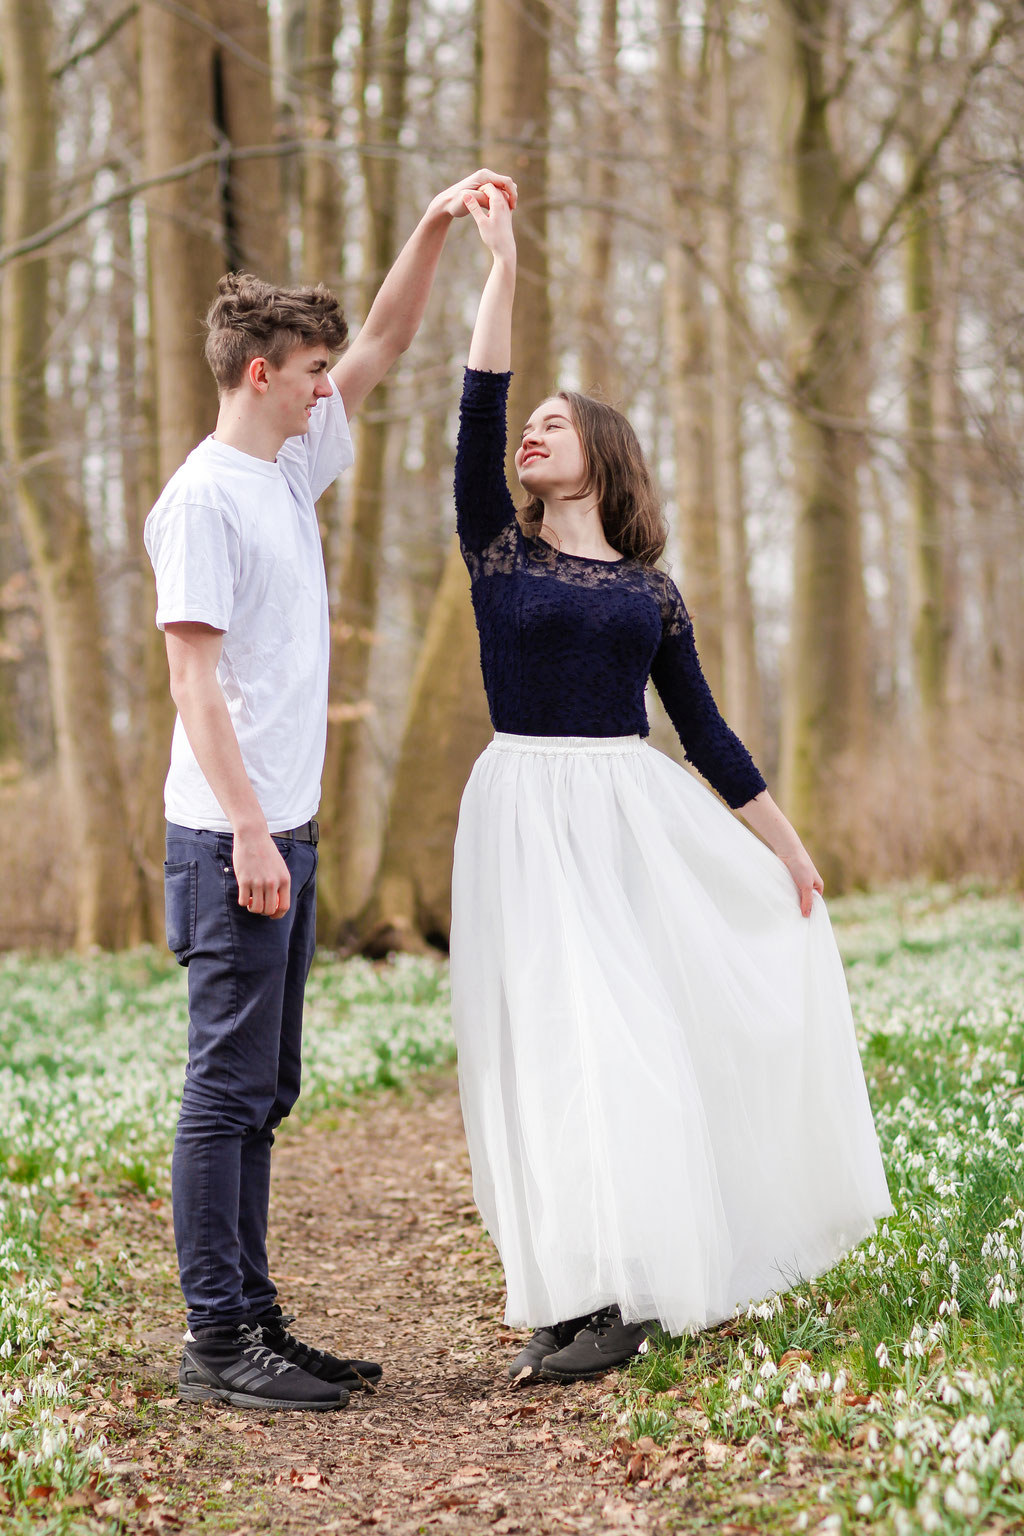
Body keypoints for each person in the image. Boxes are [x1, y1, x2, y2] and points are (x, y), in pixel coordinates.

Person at [450, 185, 892, 1384]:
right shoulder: (497, 549)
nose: (527, 434)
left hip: (626, 820)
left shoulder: (650, 595)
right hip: (520, 819)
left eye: (553, 423)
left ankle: (630, 1294)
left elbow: (708, 735)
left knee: (622, 1040)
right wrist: (499, 266)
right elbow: (476, 399)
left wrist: (788, 853)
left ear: (603, 452)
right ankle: (567, 1286)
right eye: (525, 427)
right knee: (541, 1049)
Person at [144, 169, 517, 1413]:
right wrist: (251, 831)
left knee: (268, 1087)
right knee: (226, 1088)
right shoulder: (205, 497)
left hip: (282, 838)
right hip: (228, 839)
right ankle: (214, 1342)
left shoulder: (287, 474)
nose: (328, 383)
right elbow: (191, 682)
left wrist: (428, 227)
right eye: (310, 371)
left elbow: (389, 339)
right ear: (261, 374)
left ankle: (251, 1316)